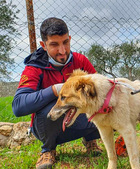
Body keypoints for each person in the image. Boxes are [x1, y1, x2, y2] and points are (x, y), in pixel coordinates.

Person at [12, 17, 102, 169]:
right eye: (54, 44)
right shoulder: (34, 67)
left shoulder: (80, 60)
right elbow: (18, 106)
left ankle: (91, 139)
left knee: (102, 102)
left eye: (65, 42)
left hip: (79, 120)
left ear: (70, 39)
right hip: (50, 125)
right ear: (43, 45)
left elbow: (102, 92)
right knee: (51, 107)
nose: (62, 51)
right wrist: (56, 90)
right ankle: (48, 150)